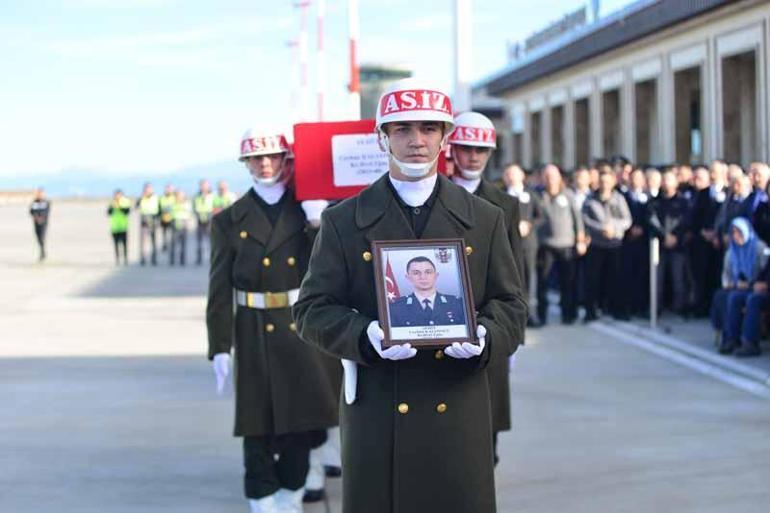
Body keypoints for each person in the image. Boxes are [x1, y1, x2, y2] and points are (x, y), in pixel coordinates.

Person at [293, 78, 527, 513]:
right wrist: (365, 335)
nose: (416, 141)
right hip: (380, 407)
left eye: (428, 128)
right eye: (402, 129)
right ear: (382, 137)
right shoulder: (344, 221)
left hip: (457, 400)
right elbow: (310, 310)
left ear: (445, 137)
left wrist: (487, 337)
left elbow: (511, 305)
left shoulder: (485, 219)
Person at [207, 128, 339, 513]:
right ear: (246, 163)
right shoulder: (229, 220)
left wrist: (318, 224)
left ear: (285, 160)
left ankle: (292, 492)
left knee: (300, 419)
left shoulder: (307, 212)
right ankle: (261, 494)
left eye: (271, 156)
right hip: (252, 326)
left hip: (300, 324)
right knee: (257, 421)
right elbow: (219, 290)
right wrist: (219, 346)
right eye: (256, 157)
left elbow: (331, 269)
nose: (264, 163)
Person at [447, 110, 524, 465]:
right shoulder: (435, 194)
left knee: (487, 416)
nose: (473, 156)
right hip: (443, 315)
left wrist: (513, 331)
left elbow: (515, 271)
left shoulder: (505, 204)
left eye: (480, 150)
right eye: (465, 148)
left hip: (486, 320)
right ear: (452, 149)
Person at [710, 217, 769, 357]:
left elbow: (762, 270)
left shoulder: (760, 248)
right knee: (733, 297)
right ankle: (732, 338)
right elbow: (765, 271)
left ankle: (750, 343)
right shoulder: (731, 252)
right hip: (749, 286)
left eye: (739, 232)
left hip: (759, 288)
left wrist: (762, 284)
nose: (736, 236)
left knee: (753, 300)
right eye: (734, 233)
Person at [535, 164, 586, 325]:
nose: (550, 179)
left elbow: (577, 219)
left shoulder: (568, 195)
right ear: (543, 178)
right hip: (545, 245)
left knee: (568, 283)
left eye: (553, 176)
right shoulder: (538, 195)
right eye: (547, 176)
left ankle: (568, 314)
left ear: (559, 178)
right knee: (542, 282)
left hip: (566, 244)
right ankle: (541, 316)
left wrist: (580, 240)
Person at [582, 166, 632, 321]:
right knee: (593, 280)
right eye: (602, 181)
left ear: (612, 182)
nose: (604, 184)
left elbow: (627, 220)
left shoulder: (619, 198)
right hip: (596, 244)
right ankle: (591, 312)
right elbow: (585, 219)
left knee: (617, 279)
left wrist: (613, 228)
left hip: (615, 244)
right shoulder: (590, 199)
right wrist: (602, 228)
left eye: (607, 181)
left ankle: (618, 310)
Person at [648, 168, 690, 315]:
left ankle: (680, 307)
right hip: (659, 245)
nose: (665, 183)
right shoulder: (655, 202)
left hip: (677, 245)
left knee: (678, 278)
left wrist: (675, 237)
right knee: (657, 279)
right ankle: (656, 307)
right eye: (663, 180)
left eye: (669, 179)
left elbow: (685, 221)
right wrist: (664, 236)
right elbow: (652, 221)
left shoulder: (683, 201)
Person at [503, 164, 541, 325]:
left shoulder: (531, 195)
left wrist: (529, 225)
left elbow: (541, 216)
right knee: (512, 280)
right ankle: (515, 315)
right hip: (508, 245)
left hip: (528, 244)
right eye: (508, 175)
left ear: (522, 176)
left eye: (515, 175)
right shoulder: (500, 196)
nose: (511, 178)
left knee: (530, 278)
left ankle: (531, 314)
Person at [689, 160, 728, 316]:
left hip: (721, 242)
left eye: (716, 171)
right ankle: (702, 307)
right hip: (703, 242)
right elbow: (694, 217)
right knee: (702, 275)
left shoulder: (728, 192)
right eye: (711, 171)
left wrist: (718, 234)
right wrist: (703, 232)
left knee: (718, 275)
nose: (712, 174)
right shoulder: (703, 193)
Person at [389, 256, 466, 327]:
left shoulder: (457, 304)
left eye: (428, 272)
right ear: (408, 277)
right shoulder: (396, 307)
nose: (423, 277)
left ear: (436, 275)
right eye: (416, 273)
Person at [622, 168, 650, 316]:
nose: (635, 181)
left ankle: (642, 306)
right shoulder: (623, 196)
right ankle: (628, 306)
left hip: (644, 242)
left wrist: (643, 229)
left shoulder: (648, 197)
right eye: (633, 178)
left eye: (639, 178)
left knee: (643, 275)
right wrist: (630, 229)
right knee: (628, 274)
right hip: (628, 241)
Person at [136, 182, 160, 266]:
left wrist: (158, 221)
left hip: (153, 222)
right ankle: (143, 259)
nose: (148, 190)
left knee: (154, 242)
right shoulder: (141, 198)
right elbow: (136, 207)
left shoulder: (156, 198)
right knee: (143, 242)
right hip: (144, 222)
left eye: (149, 189)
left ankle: (154, 259)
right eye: (146, 189)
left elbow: (159, 210)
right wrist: (141, 198)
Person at [193, 179, 215, 265]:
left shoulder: (213, 196)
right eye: (202, 185)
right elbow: (194, 207)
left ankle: (212, 259)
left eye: (205, 185)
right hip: (200, 220)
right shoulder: (196, 196)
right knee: (199, 242)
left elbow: (215, 207)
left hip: (210, 221)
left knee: (212, 241)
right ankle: (199, 259)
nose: (203, 187)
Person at [107, 189, 131, 265]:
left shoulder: (125, 202)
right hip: (115, 227)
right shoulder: (112, 202)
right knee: (116, 244)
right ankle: (117, 259)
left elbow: (127, 212)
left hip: (123, 227)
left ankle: (125, 259)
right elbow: (108, 212)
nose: (117, 196)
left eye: (119, 195)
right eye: (116, 195)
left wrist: (119, 206)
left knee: (124, 244)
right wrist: (112, 206)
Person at [170, 190, 192, 266]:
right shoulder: (173, 203)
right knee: (173, 244)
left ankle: (182, 260)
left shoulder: (187, 204)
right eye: (178, 195)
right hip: (175, 223)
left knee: (183, 244)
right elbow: (171, 213)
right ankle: (172, 260)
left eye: (181, 195)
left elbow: (189, 214)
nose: (179, 197)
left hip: (183, 224)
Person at [29, 187, 50, 261]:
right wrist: (36, 217)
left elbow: (46, 212)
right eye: (38, 193)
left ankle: (42, 252)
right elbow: (31, 211)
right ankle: (42, 252)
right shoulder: (34, 202)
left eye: (40, 193)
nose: (39, 194)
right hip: (36, 223)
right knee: (38, 238)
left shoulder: (46, 202)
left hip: (43, 224)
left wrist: (41, 218)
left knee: (42, 237)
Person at [159, 184, 176, 252]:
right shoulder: (162, 197)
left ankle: (172, 246)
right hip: (163, 219)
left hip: (172, 218)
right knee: (164, 234)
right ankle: (165, 246)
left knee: (173, 235)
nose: (168, 190)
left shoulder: (174, 197)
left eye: (170, 189)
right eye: (167, 188)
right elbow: (159, 207)